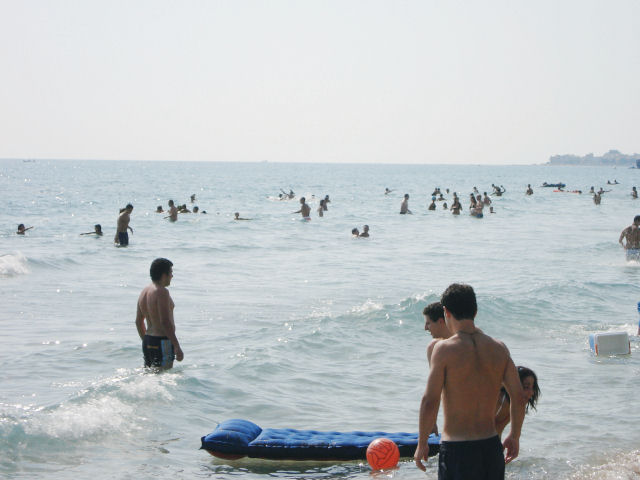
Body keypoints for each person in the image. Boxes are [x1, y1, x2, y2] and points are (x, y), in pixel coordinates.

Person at [414, 283, 525, 476]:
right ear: (475, 311)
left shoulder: (443, 350)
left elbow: (430, 400)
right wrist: (514, 436)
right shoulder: (499, 348)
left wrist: (422, 442)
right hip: (491, 447)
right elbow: (518, 396)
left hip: (458, 450)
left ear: (446, 312)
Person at [135, 258, 184, 370]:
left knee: (150, 375)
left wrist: (147, 342)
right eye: (171, 272)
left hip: (148, 340)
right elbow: (165, 322)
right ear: (164, 275)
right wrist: (176, 346)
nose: (172, 276)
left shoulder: (144, 291)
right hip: (162, 341)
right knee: (164, 376)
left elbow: (138, 321)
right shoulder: (162, 292)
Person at [495, 366, 540, 438]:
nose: (531, 393)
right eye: (526, 387)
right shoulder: (497, 399)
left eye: (532, 388)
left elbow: (498, 430)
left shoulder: (517, 407)